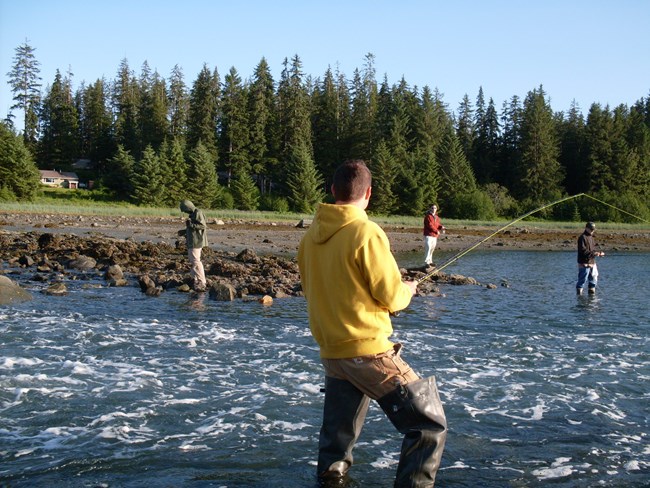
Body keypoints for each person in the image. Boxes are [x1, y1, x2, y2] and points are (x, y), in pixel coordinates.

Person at [298, 160, 447, 487]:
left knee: (336, 445)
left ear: (333, 191)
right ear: (368, 193)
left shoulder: (310, 239)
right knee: (429, 425)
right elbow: (392, 297)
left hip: (332, 354)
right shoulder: (366, 231)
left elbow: (314, 290)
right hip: (368, 352)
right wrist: (408, 290)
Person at [178, 200, 208, 291]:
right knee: (193, 260)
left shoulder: (197, 212)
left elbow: (202, 226)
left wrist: (190, 224)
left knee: (196, 261)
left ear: (188, 207)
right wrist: (184, 231)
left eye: (184, 210)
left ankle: (201, 281)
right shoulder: (193, 214)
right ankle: (195, 279)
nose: (184, 212)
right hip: (192, 241)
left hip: (197, 241)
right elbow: (194, 228)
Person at [576, 221, 605, 295]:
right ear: (586, 228)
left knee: (593, 280)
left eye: (593, 229)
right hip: (584, 263)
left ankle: (591, 297)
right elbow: (583, 251)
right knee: (582, 280)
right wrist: (595, 253)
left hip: (592, 262)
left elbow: (592, 250)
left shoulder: (591, 238)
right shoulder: (582, 237)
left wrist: (598, 253)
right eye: (591, 229)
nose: (592, 231)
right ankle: (579, 297)